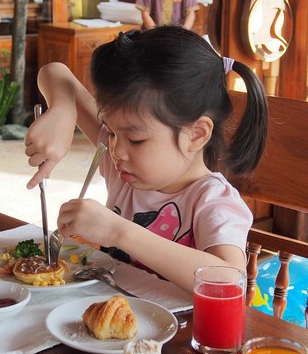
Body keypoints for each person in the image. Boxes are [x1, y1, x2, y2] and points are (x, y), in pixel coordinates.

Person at [24, 26, 268, 293]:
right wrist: (62, 110)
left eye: (136, 140)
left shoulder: (213, 201)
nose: (116, 150)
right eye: (112, 132)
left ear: (196, 134)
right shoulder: (125, 168)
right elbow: (54, 71)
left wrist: (117, 231)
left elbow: (230, 280)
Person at [135, 0, 199, 30]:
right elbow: (145, 13)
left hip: (177, 35)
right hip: (151, 33)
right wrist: (154, 33)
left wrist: (183, 32)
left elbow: (190, 13)